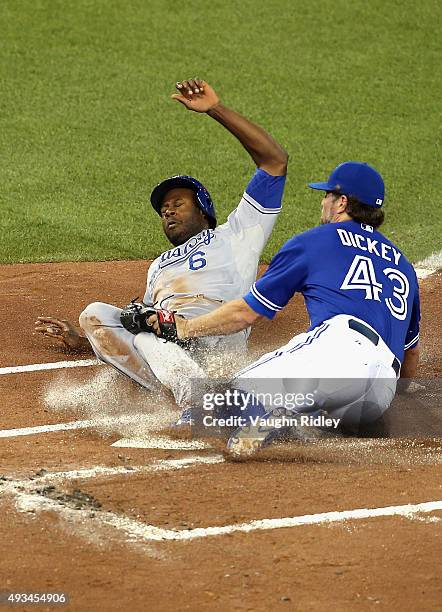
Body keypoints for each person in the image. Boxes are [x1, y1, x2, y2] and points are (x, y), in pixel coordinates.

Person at [35, 78, 288, 411]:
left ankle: (193, 394)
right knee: (94, 315)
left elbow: (275, 162)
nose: (167, 209)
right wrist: (84, 342)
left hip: (213, 340)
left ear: (204, 209)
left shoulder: (237, 234)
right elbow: (145, 324)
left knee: (153, 334)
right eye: (163, 207)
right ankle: (183, 395)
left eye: (178, 203)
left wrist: (215, 109)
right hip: (170, 351)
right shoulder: (160, 265)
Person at [150, 161, 420, 454]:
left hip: (337, 352)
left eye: (327, 195)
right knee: (324, 406)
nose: (322, 201)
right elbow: (411, 354)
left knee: (220, 401)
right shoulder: (403, 265)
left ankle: (276, 419)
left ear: (342, 203)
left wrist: (187, 327)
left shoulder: (316, 241)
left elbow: (245, 313)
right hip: (382, 390)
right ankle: (301, 418)